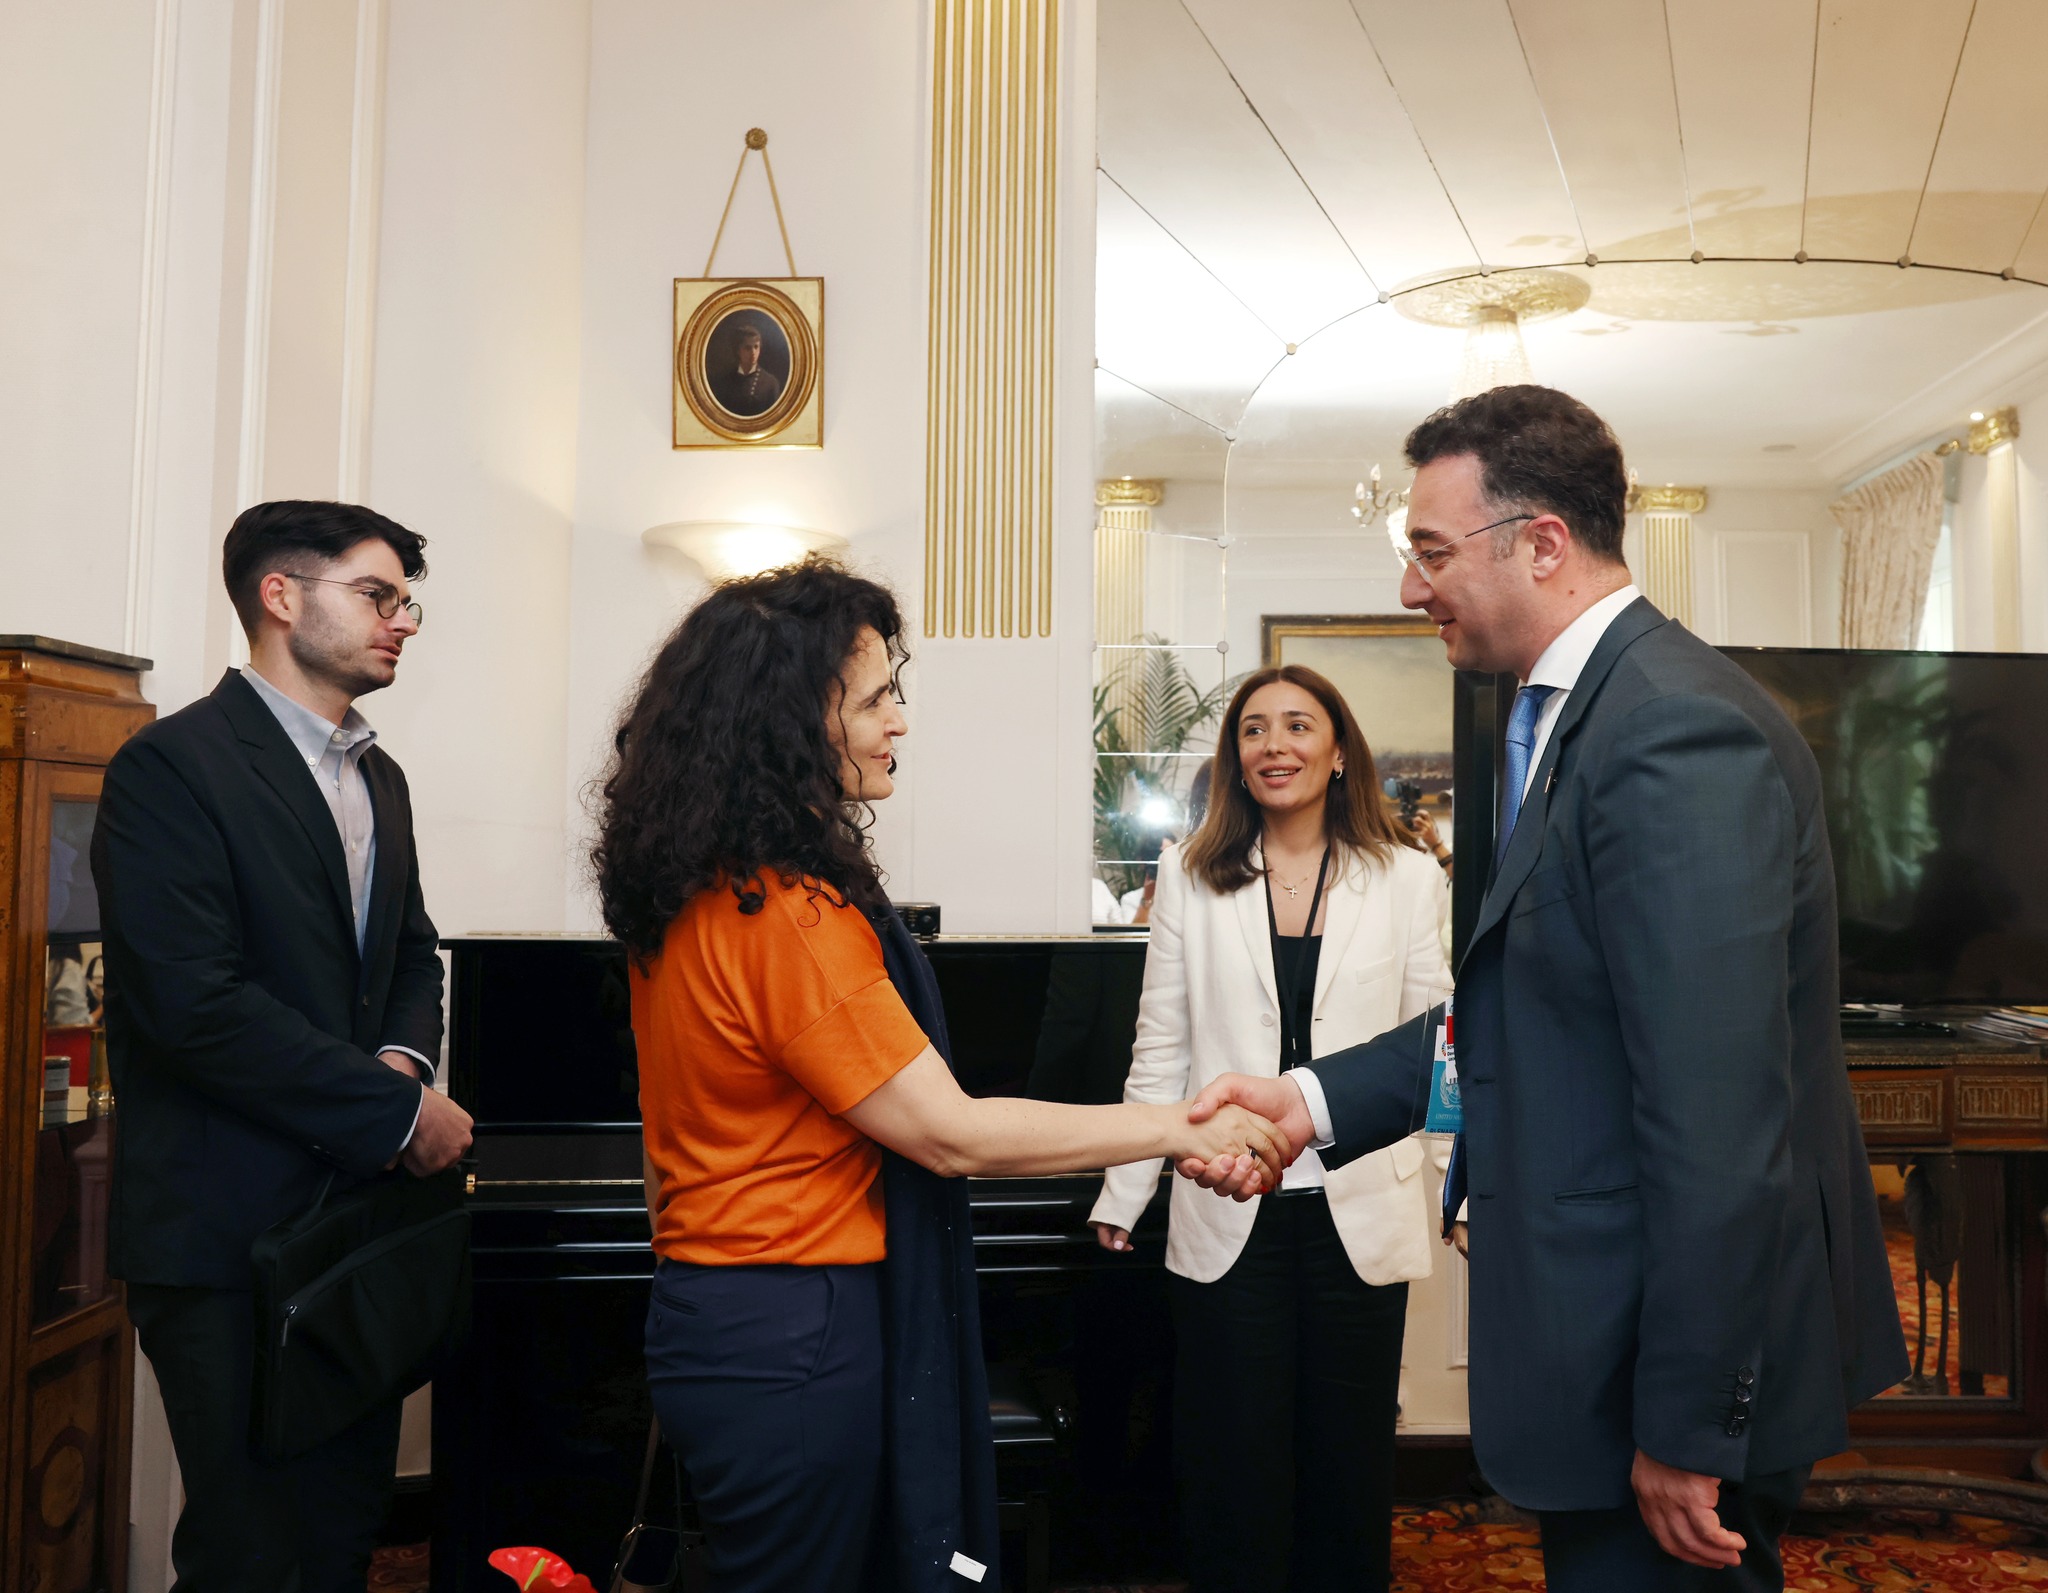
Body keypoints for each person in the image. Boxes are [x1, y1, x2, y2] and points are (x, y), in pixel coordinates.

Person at [1182, 386, 1906, 1593]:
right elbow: (1533, 1002)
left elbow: (1717, 1117)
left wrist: (1685, 1421)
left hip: (1668, 1362)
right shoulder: (1583, 715)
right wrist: (1308, 1101)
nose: (1408, 588)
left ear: (1542, 543)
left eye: (1429, 552)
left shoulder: (1671, 732)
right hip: (1614, 1335)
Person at [588, 557, 1288, 1593]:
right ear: (793, 719)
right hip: (798, 1330)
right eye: (875, 699)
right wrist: (1180, 1126)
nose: (898, 722)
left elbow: (662, 1160)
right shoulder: (787, 915)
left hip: (714, 1311)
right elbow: (950, 1133)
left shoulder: (694, 894)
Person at [91, 500, 475, 1593]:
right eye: (378, 594)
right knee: (250, 1554)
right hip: (224, 1234)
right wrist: (396, 1113)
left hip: (356, 1230)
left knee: (341, 1539)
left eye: (408, 601)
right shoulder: (171, 766)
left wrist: (402, 1068)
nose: (403, 620)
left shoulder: (379, 775)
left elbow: (411, 955)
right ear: (281, 596)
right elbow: (193, 1007)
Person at [1089, 667, 1450, 1593]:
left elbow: (1437, 1052)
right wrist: (1125, 1188)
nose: (1274, 744)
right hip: (1223, 1200)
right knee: (1231, 1464)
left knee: (1348, 1461)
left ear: (1339, 752)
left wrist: (1463, 1190)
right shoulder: (1188, 872)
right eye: (1253, 729)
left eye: (1297, 725)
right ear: (1235, 757)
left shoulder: (1409, 878)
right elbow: (1160, 1046)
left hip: (1362, 1205)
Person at [710, 322, 783, 416]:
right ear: (738, 350)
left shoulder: (770, 383)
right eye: (748, 348)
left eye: (756, 347)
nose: (753, 352)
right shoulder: (725, 381)